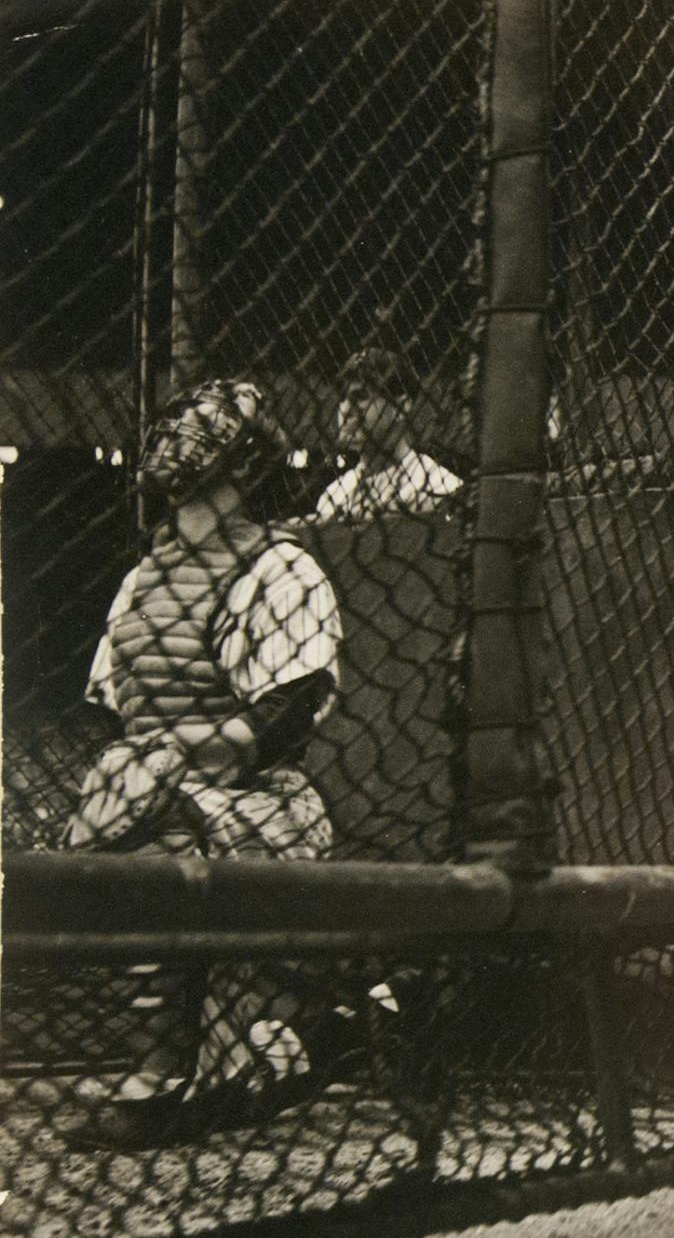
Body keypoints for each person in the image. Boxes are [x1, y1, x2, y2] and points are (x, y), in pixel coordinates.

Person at [58, 379, 351, 1150]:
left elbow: (285, 718)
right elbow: (119, 703)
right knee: (123, 817)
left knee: (151, 828)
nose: (184, 437)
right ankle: (197, 1059)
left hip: (262, 801)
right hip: (170, 791)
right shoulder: (146, 577)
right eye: (182, 422)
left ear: (246, 460)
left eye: (211, 428)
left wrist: (175, 757)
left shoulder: (280, 565)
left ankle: (217, 1060)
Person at [312, 349, 463, 519]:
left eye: (361, 397)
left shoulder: (440, 487)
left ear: (401, 407)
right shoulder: (334, 495)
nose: (346, 410)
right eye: (342, 399)